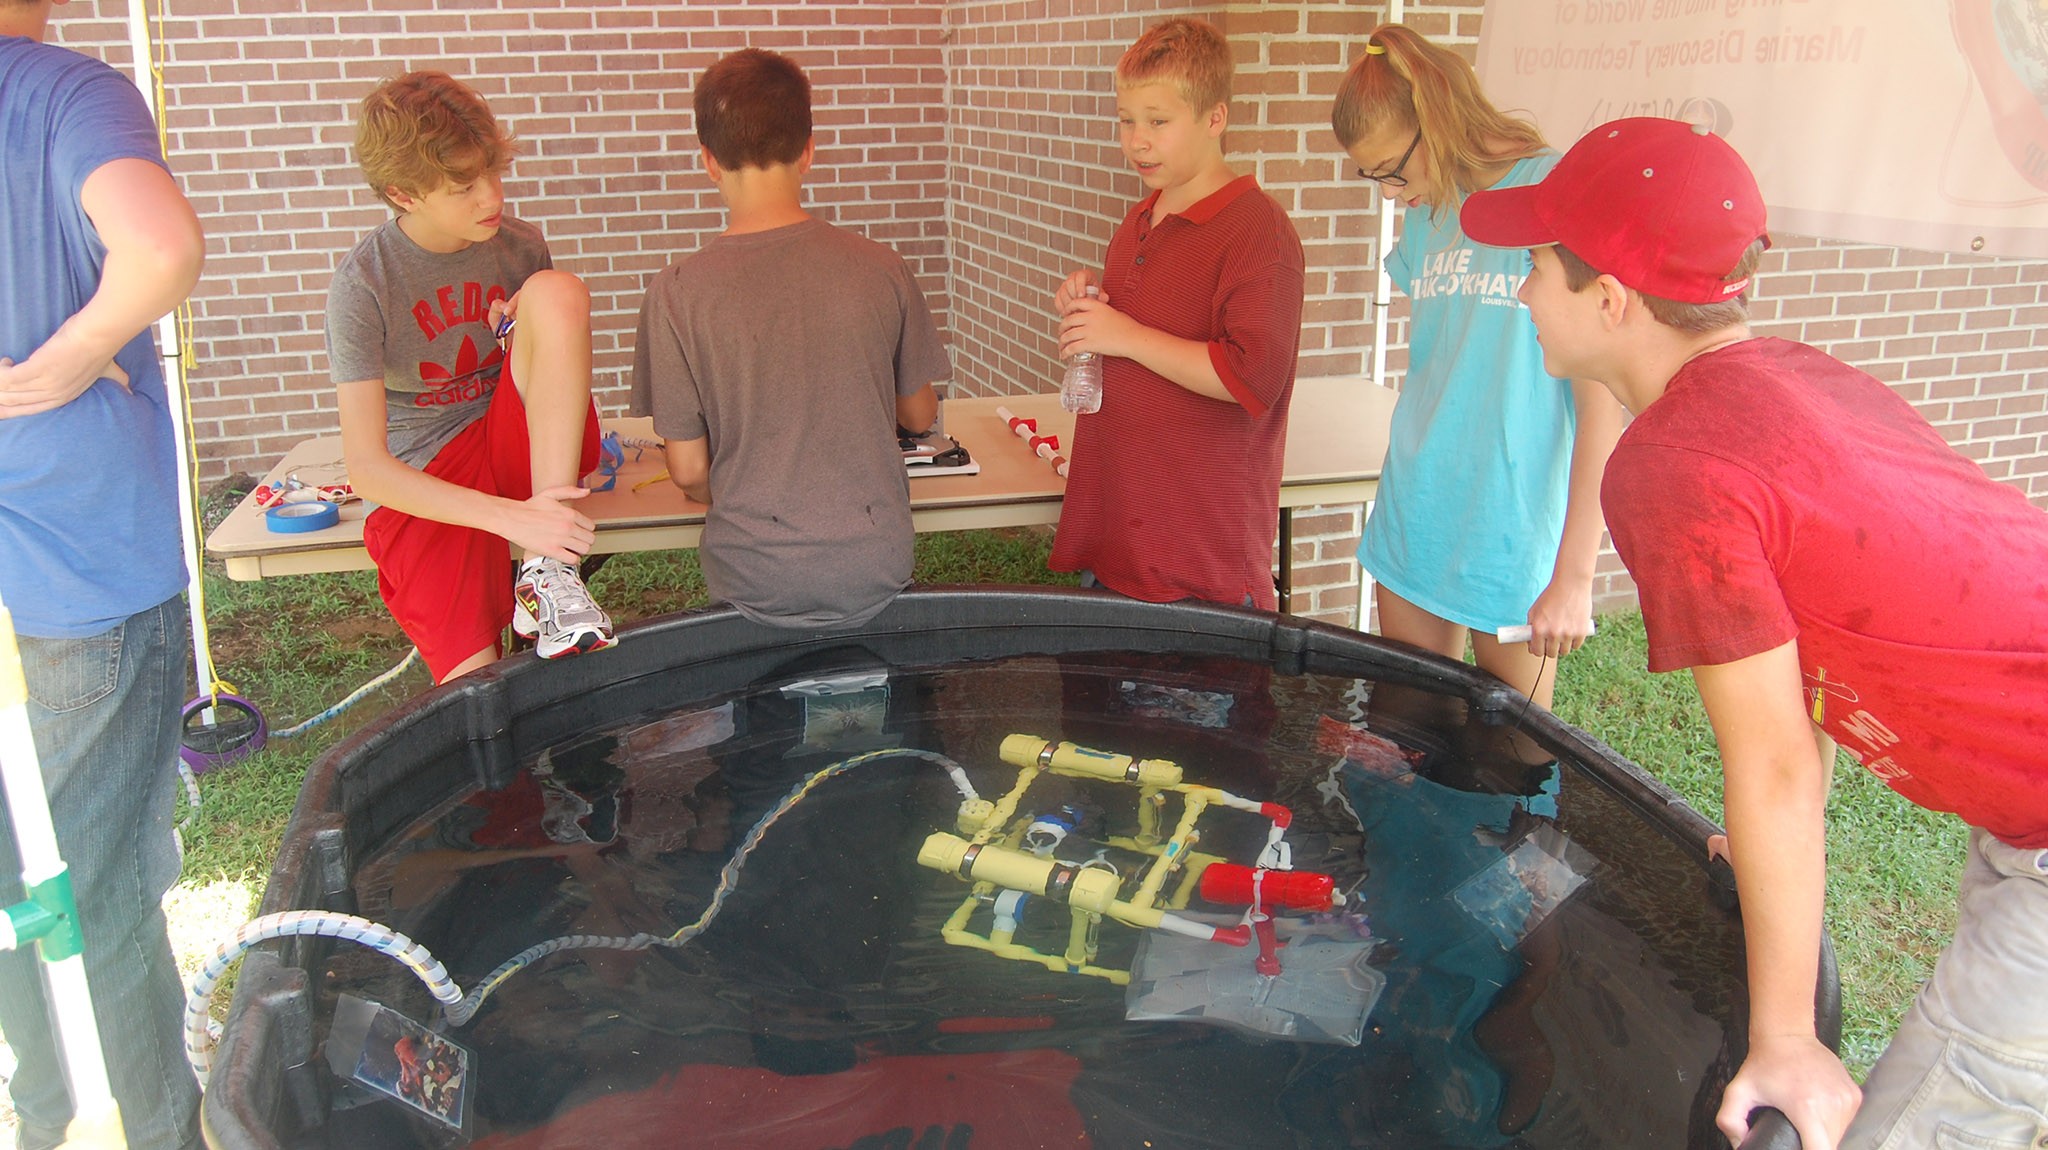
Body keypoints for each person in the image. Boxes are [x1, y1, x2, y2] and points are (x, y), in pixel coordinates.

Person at [1460, 115, 2048, 1150]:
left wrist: (1782, 1038)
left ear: (1610, 299)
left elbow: (1770, 760)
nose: (1521, 294)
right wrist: (1778, 834)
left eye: (1536, 269)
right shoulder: (1788, 375)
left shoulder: (1673, 465)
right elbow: (1811, 653)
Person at [0, 1, 206, 1146]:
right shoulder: (62, 90)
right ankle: (151, 1132)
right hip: (81, 562)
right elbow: (160, 247)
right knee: (97, 887)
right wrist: (69, 357)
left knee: (14, 881)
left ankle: (45, 1114)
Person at [1329, 24, 1625, 709]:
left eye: (1391, 170)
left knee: (1514, 754)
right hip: (1417, 503)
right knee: (1409, 736)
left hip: (1511, 524)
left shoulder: (1551, 189)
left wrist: (1576, 575)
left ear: (1434, 120)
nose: (1389, 193)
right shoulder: (1427, 206)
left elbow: (1599, 407)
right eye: (1372, 177)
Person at [631, 48, 947, 629]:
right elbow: (919, 413)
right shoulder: (882, 267)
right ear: (808, 151)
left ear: (708, 161)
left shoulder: (675, 292)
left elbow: (689, 471)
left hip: (752, 574)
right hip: (875, 562)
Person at [327, 71, 615, 684]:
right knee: (474, 692)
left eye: (493, 172)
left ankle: (547, 573)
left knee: (555, 292)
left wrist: (521, 334)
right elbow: (367, 468)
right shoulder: (363, 284)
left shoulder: (520, 246)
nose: (491, 198)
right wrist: (507, 518)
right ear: (404, 194)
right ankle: (537, 564)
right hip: (426, 473)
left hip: (523, 449)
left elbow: (544, 372)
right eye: (464, 186)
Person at [1049, 16, 1306, 610]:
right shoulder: (1140, 219)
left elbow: (1251, 378)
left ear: (1215, 118)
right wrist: (1094, 311)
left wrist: (1126, 335)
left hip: (1200, 566)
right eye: (1126, 120)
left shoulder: (1259, 230)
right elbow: (1140, 340)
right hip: (1118, 542)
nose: (1137, 141)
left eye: (1158, 122)